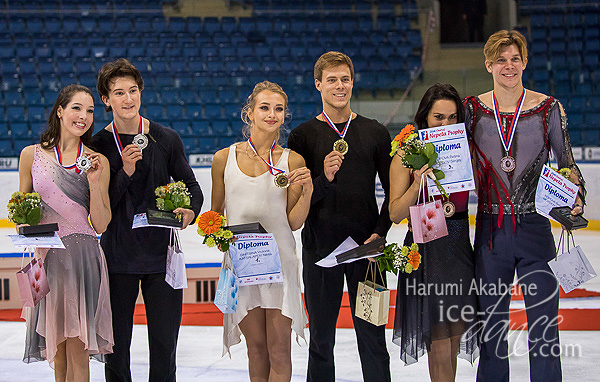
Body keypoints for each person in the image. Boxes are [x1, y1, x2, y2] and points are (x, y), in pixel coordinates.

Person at [464, 30, 586, 382]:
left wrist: (576, 196)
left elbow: (568, 163)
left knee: (545, 328)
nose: (509, 65)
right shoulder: (473, 109)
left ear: (525, 62)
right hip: (491, 231)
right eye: (501, 59)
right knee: (491, 329)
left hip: (536, 229)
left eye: (515, 59)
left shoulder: (548, 108)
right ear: (488, 64)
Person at [91, 58, 203, 382]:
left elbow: (193, 187)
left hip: (161, 257)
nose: (128, 99)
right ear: (105, 99)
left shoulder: (166, 138)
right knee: (115, 350)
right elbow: (99, 208)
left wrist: (191, 211)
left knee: (165, 347)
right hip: (116, 258)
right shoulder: (97, 145)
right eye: (119, 92)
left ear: (140, 92)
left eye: (133, 90)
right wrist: (123, 172)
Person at [287, 51, 392, 382]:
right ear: (318, 84)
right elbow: (296, 202)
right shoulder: (302, 137)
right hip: (320, 253)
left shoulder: (375, 132)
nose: (340, 85)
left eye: (345, 79)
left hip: (367, 253)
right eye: (331, 80)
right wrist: (324, 180)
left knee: (373, 337)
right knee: (321, 340)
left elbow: (392, 194)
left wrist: (381, 233)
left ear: (352, 82)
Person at [211, 80, 311, 381]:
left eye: (278, 109)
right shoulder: (223, 159)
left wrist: (307, 191)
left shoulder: (292, 160)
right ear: (249, 113)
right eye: (264, 108)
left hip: (280, 264)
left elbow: (294, 222)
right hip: (243, 267)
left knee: (279, 350)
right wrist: (220, 238)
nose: (272, 114)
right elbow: (215, 216)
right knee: (256, 350)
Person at [18, 84, 114, 381]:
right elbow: (21, 211)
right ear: (60, 111)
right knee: (56, 353)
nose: (83, 116)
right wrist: (28, 227)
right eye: (76, 108)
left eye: (89, 110)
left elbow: (101, 224)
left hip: (81, 260)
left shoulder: (97, 161)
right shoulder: (29, 155)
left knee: (77, 353)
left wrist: (95, 182)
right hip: (46, 260)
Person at [389, 83, 479, 381]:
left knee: (451, 342)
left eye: (452, 117)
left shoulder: (466, 148)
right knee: (439, 345)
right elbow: (395, 213)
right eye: (438, 117)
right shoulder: (407, 152)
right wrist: (417, 183)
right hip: (426, 250)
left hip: (458, 249)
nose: (446, 123)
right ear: (425, 116)